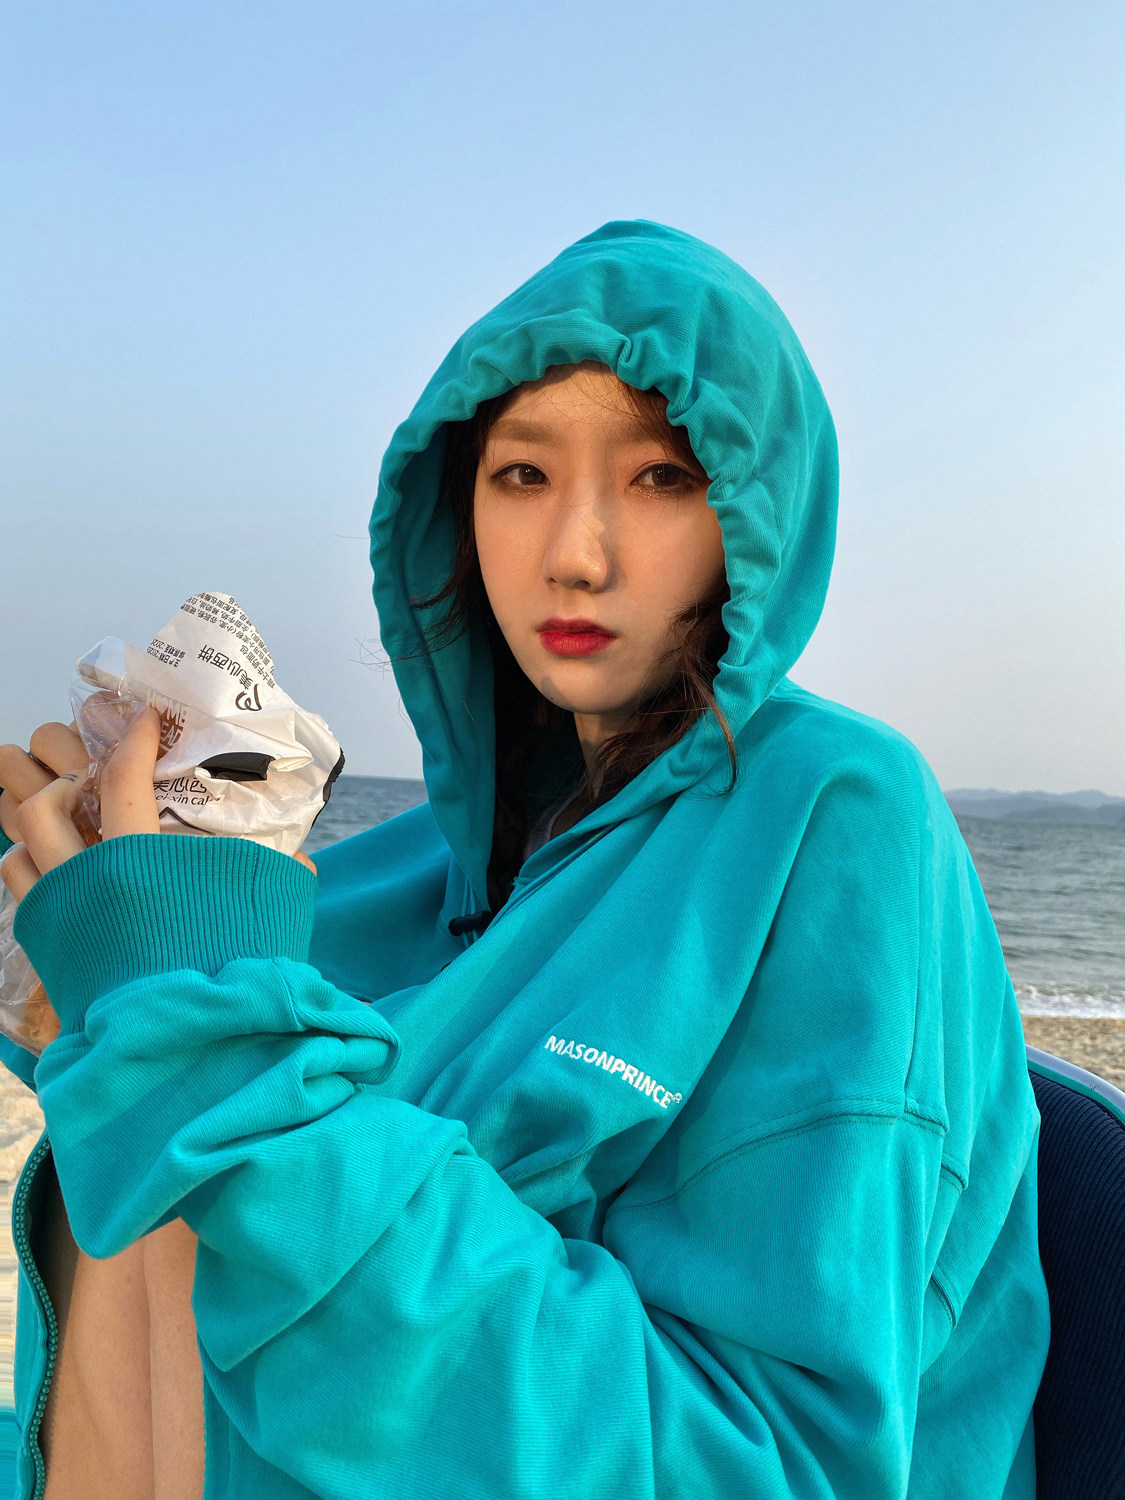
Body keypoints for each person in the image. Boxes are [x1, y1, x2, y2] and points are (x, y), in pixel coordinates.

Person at [0, 220, 1049, 1499]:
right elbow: (191, 1158)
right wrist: (86, 979)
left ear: (753, 514)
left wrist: (193, 1042)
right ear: (457, 510)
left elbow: (768, 1462)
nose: (576, 554)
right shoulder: (421, 862)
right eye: (521, 475)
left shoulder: (834, 812)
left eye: (661, 475)